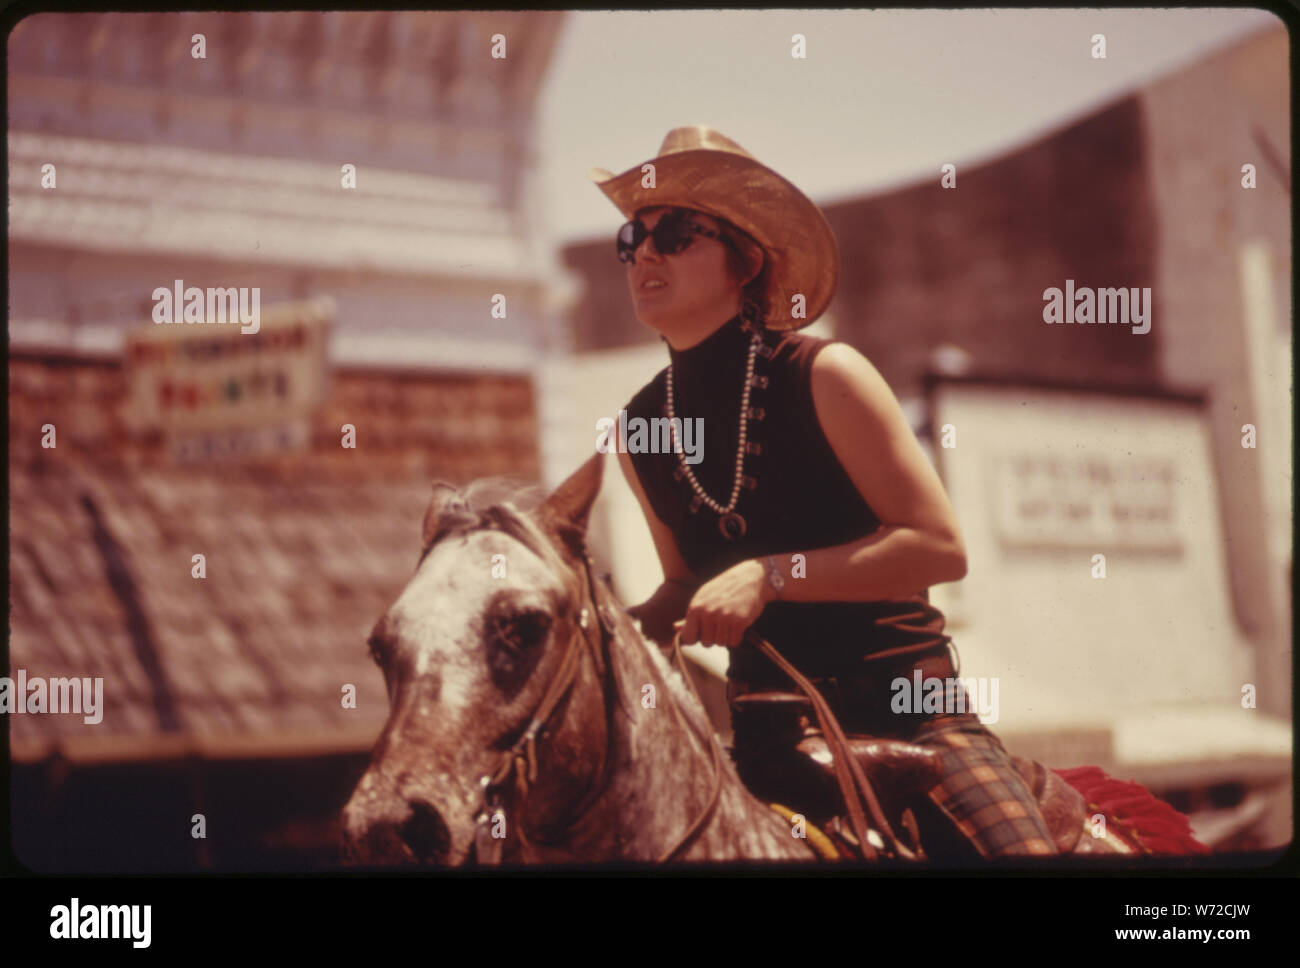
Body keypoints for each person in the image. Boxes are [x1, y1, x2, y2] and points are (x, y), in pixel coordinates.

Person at [589, 126, 1057, 858]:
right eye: (632, 238)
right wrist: (617, 626)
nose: (645, 253)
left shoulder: (827, 374)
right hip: (764, 735)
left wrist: (771, 576)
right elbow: (684, 582)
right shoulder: (639, 430)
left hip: (909, 714)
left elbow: (939, 548)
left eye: (675, 233)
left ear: (746, 258)